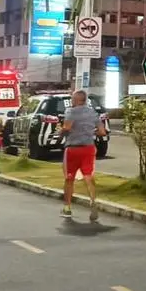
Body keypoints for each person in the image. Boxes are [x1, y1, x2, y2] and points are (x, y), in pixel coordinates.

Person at [59, 90, 107, 221]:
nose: (72, 101)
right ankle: (92, 201)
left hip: (73, 149)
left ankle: (67, 208)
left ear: (76, 100)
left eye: (72, 99)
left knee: (69, 178)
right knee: (88, 176)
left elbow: (67, 127)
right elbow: (102, 132)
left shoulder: (70, 111)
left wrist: (61, 133)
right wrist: (89, 133)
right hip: (89, 148)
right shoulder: (93, 113)